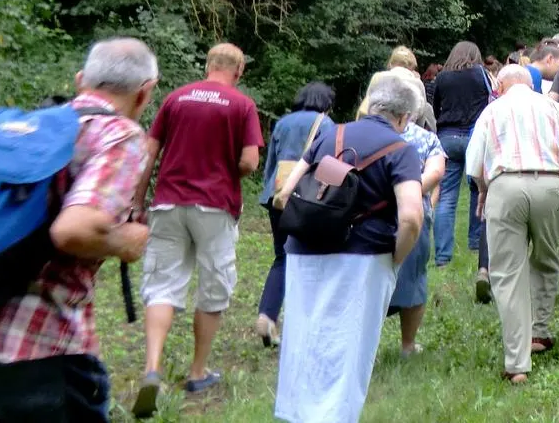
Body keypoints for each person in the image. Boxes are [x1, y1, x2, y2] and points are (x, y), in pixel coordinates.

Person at [0, 38, 157, 423]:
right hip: (37, 355)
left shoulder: (17, 130)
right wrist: (127, 242)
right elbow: (74, 230)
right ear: (145, 93)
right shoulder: (116, 134)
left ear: (81, 79)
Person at [273, 77, 424, 423]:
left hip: (304, 251)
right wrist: (395, 258)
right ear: (403, 118)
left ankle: (298, 414)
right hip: (363, 256)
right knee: (348, 348)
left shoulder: (328, 135)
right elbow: (412, 218)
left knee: (304, 338)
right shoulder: (401, 150)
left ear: (372, 106)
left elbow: (284, 195)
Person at [132, 43, 264, 418]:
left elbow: (149, 151)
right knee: (213, 285)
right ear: (238, 71)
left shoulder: (176, 98)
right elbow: (250, 162)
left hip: (169, 203)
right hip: (215, 207)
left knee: (161, 285)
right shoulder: (241, 105)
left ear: (208, 66)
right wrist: (226, 170)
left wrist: (138, 201)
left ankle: (152, 368)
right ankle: (197, 371)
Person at [466, 65, 559, 384]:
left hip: (505, 187)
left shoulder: (492, 110)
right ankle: (540, 333)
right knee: (547, 260)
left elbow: (474, 164)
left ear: (501, 85)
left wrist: (483, 192)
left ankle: (517, 363)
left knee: (506, 274)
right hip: (550, 184)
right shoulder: (552, 107)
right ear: (529, 84)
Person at [254, 82, 335, 349]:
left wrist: (271, 193)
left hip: (277, 195)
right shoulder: (325, 124)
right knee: (311, 257)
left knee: (282, 257)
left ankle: (266, 316)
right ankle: (305, 324)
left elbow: (271, 163)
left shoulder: (283, 122)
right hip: (307, 199)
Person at [381, 71, 446, 357]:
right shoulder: (426, 139)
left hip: (372, 215)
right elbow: (436, 173)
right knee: (414, 280)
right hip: (415, 213)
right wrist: (410, 190)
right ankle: (408, 344)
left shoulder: (364, 133)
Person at [431, 41, 492, 266]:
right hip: (475, 135)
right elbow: (489, 102)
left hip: (447, 136)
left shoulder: (443, 77)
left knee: (446, 197)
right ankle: (475, 242)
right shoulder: (480, 74)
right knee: (478, 188)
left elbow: (436, 107)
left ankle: (442, 256)